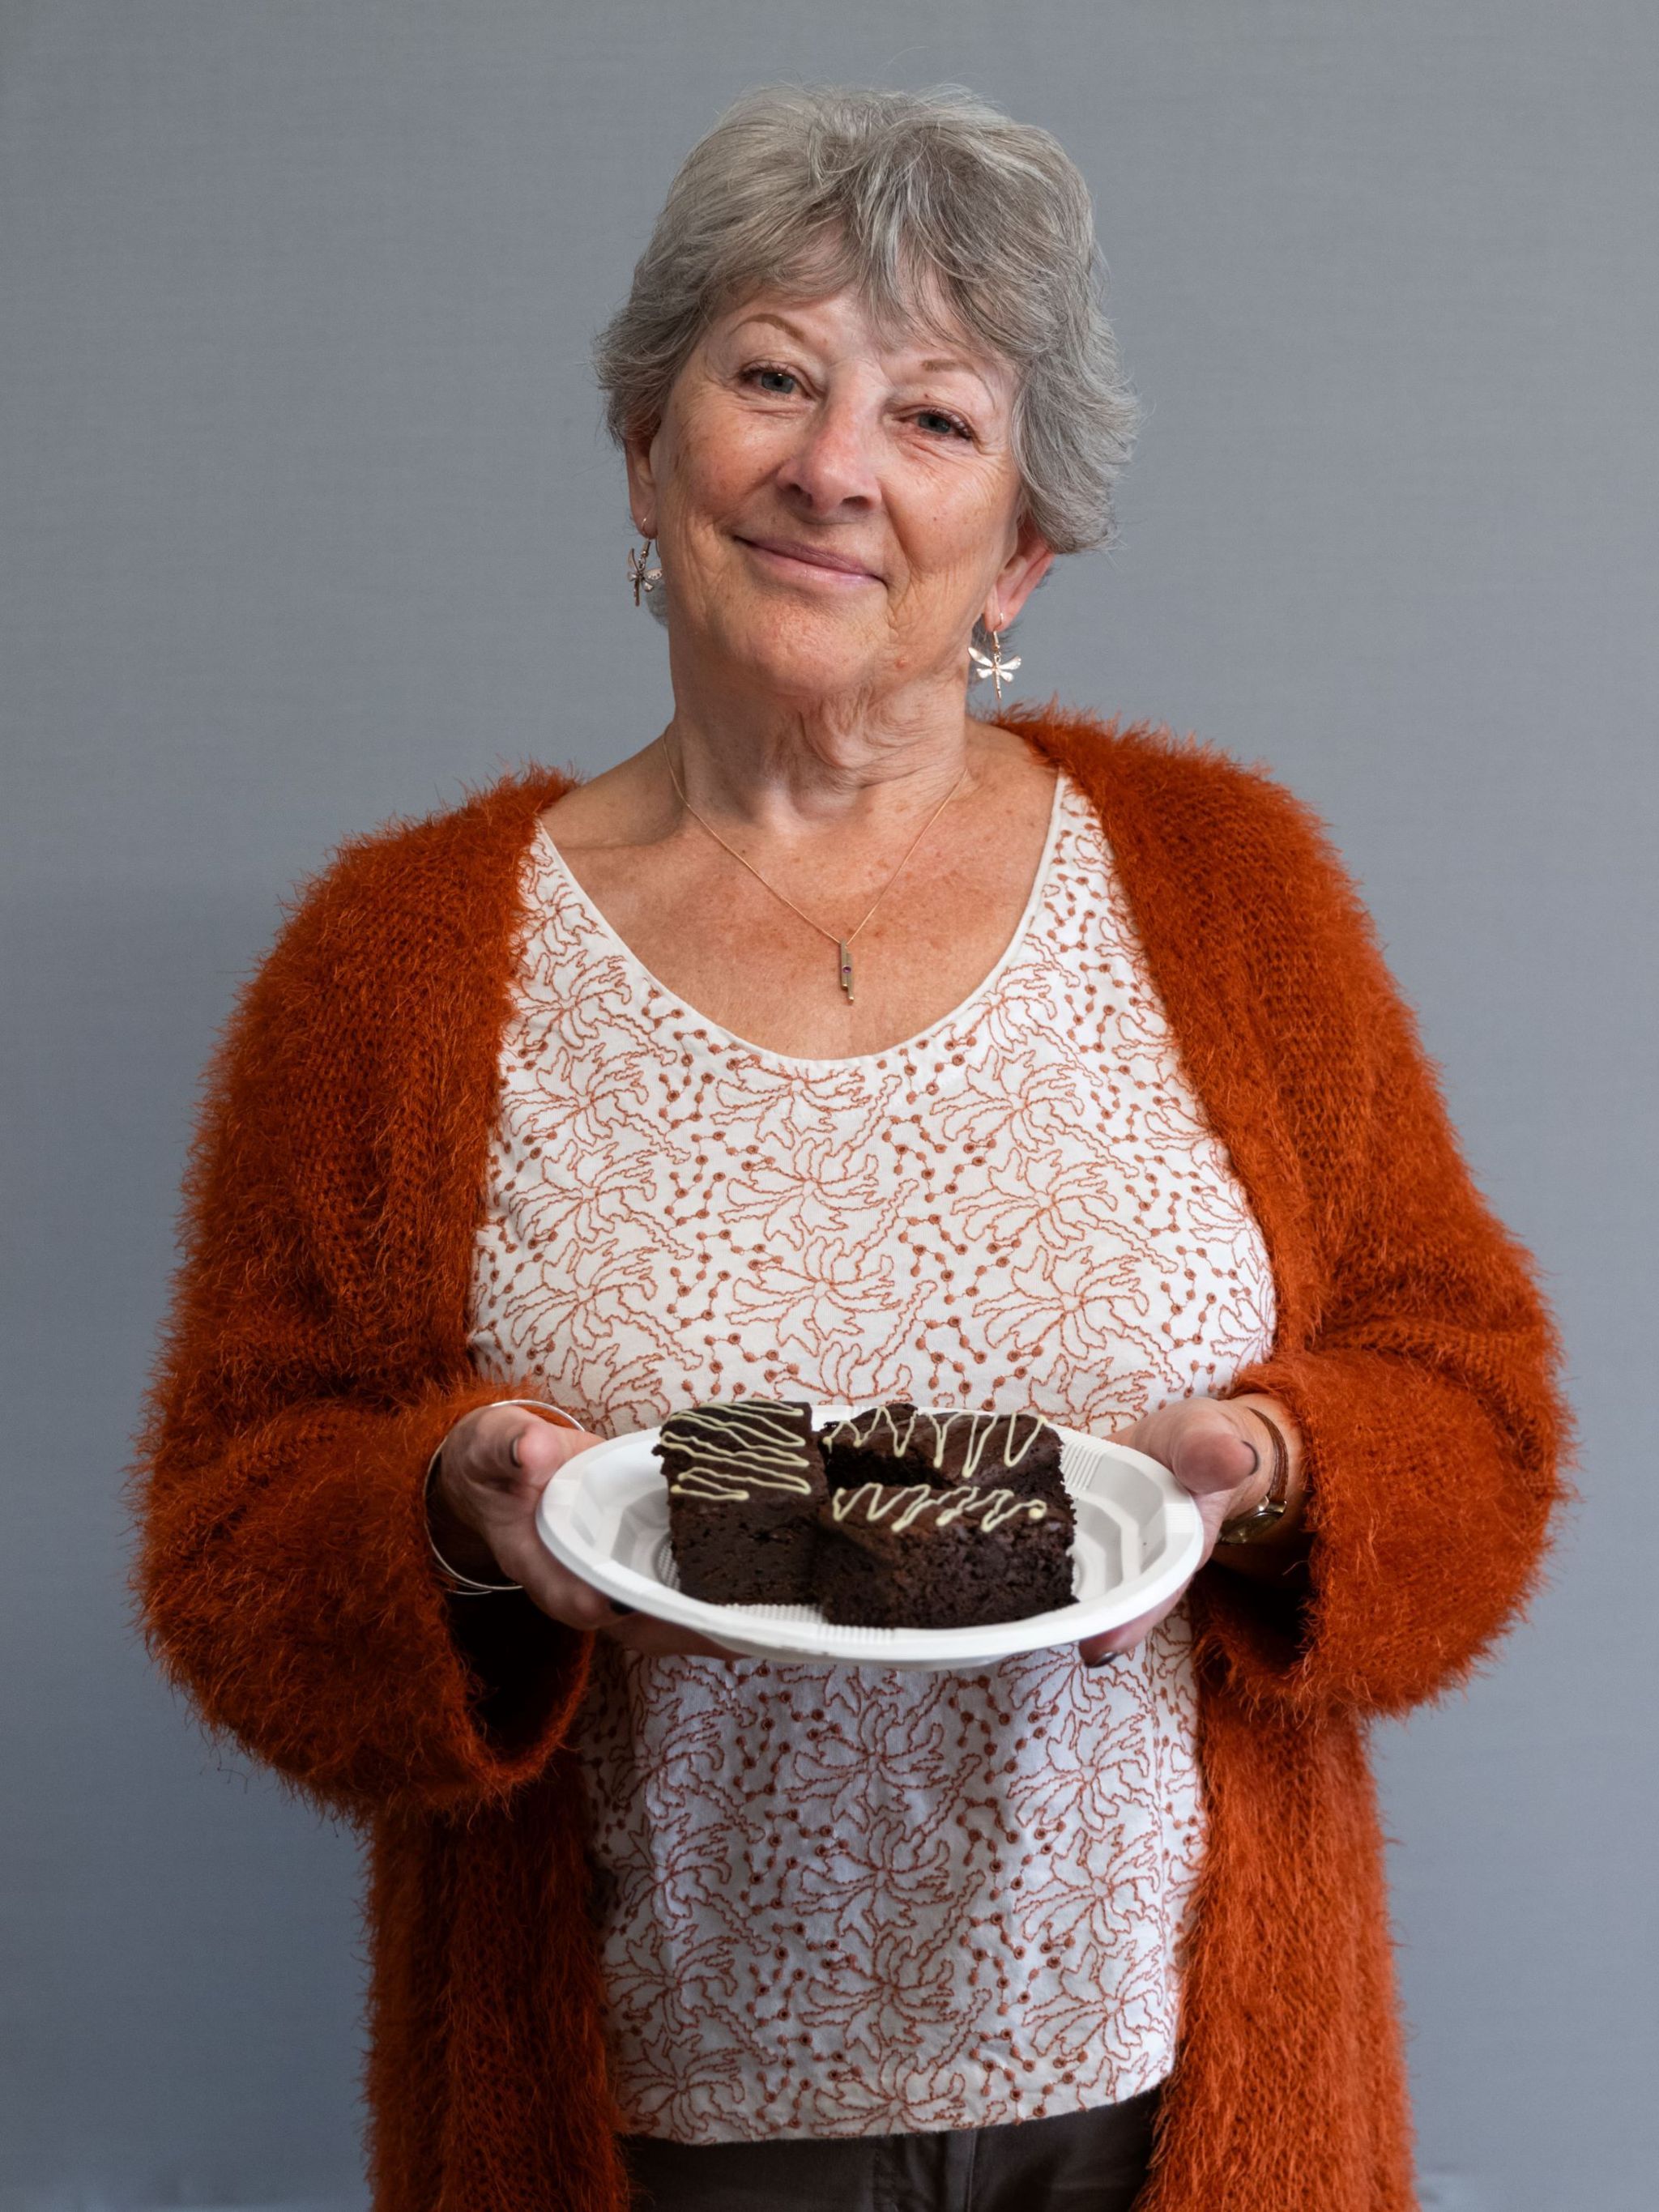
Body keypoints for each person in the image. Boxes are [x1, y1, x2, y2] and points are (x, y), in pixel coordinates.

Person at [137, 85, 1567, 2212]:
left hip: (1179, 2097)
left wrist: (1275, 1467)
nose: (833, 466)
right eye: (774, 376)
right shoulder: (399, 961)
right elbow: (232, 1536)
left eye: (934, 417)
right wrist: (444, 1506)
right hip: (647, 2123)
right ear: (648, 448)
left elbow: (1476, 1407)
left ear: (1025, 546)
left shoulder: (1231, 888)